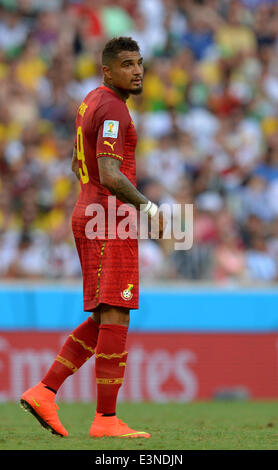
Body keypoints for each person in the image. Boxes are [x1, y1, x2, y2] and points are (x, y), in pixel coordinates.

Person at [20, 37, 165, 438]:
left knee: (104, 315)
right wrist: (149, 208)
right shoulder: (114, 108)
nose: (136, 71)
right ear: (107, 70)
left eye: (139, 63)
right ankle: (105, 419)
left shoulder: (91, 101)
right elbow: (109, 172)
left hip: (91, 213)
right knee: (116, 312)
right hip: (108, 218)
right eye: (126, 64)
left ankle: (44, 391)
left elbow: (74, 161)